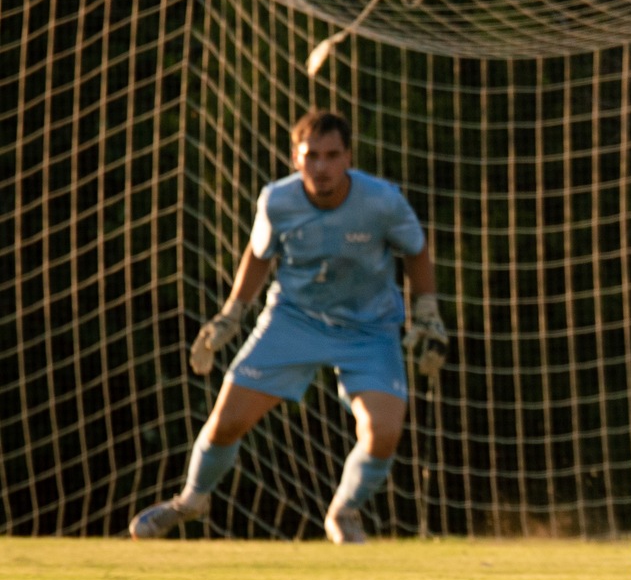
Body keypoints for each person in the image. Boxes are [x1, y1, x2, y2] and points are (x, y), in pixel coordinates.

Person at [129, 110, 449, 545]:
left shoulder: (382, 201)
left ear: (348, 157)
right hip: (293, 320)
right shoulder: (276, 200)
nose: (322, 166)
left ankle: (344, 512)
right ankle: (191, 500)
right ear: (296, 159)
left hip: (369, 327)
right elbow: (259, 256)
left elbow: (416, 250)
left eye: (332, 155)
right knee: (226, 422)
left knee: (384, 432)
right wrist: (232, 313)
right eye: (311, 155)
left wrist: (426, 311)